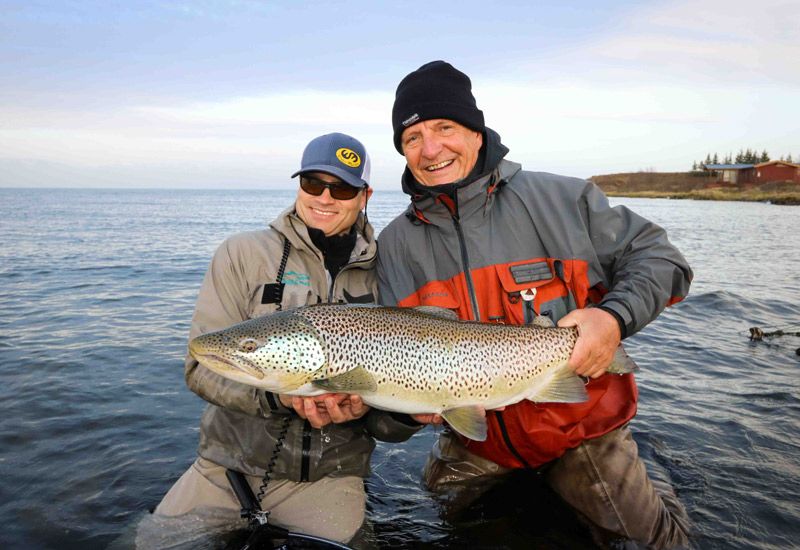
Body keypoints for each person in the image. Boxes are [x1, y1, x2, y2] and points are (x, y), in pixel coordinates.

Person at [377, 61, 694, 548]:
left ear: (477, 133)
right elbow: (380, 380)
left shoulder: (564, 199)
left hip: (581, 429)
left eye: (444, 127)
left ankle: (652, 481)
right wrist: (402, 413)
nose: (430, 148)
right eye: (413, 137)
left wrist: (612, 318)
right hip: (476, 442)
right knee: (445, 526)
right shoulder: (395, 246)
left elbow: (662, 260)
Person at [154, 132, 423, 545]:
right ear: (299, 185)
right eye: (313, 183)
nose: (325, 197)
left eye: (343, 188)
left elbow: (390, 421)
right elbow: (200, 366)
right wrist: (280, 398)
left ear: (365, 195)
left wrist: (405, 416)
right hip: (225, 467)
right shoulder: (241, 253)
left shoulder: (388, 271)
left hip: (331, 478)